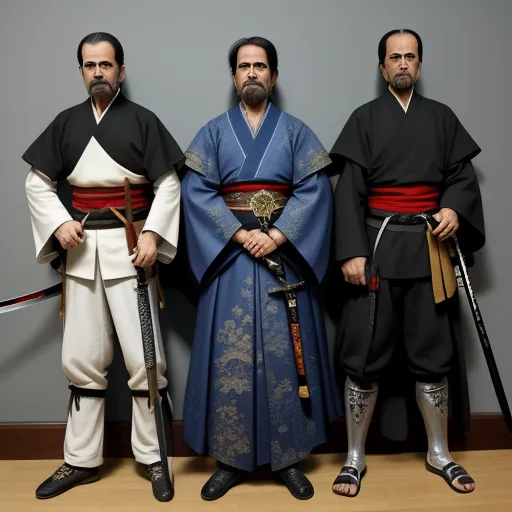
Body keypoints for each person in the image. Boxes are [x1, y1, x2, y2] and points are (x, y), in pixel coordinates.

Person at [23, 32, 183, 502]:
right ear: (81, 71)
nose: (98, 72)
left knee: (145, 361)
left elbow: (168, 183)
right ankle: (80, 460)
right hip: (80, 250)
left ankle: (154, 458)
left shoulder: (143, 121)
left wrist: (153, 233)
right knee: (81, 360)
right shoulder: (66, 123)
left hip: (132, 250)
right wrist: (57, 223)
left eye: (106, 65)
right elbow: (37, 183)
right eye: (90, 65)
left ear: (121, 70)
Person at [181, 36, 340, 501]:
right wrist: (238, 233)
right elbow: (196, 192)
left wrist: (275, 234)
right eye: (244, 66)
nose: (252, 73)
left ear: (273, 75)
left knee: (288, 359)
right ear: (234, 76)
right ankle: (229, 460)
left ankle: (290, 459)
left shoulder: (295, 131)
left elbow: (314, 190)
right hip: (231, 255)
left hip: (284, 255)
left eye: (261, 66)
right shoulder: (212, 131)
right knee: (229, 358)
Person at [330, 29, 484, 497]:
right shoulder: (364, 119)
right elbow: (349, 193)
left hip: (429, 250)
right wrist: (351, 251)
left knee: (432, 352)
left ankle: (439, 453)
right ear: (382, 68)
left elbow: (461, 178)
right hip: (375, 247)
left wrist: (454, 208)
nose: (402, 63)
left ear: (419, 65)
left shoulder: (442, 118)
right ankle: (354, 457)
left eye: (410, 56)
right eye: (394, 57)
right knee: (363, 355)